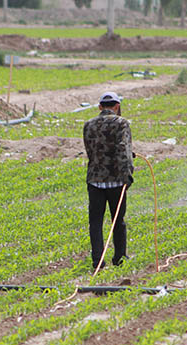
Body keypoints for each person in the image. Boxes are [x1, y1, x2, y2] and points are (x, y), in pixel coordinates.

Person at [83, 91, 134, 269]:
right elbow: (122, 148)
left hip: (94, 180)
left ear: (100, 107)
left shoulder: (88, 125)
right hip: (116, 180)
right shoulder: (122, 123)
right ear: (117, 106)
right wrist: (127, 173)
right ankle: (119, 258)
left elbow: (91, 150)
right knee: (118, 220)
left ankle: (98, 260)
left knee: (95, 221)